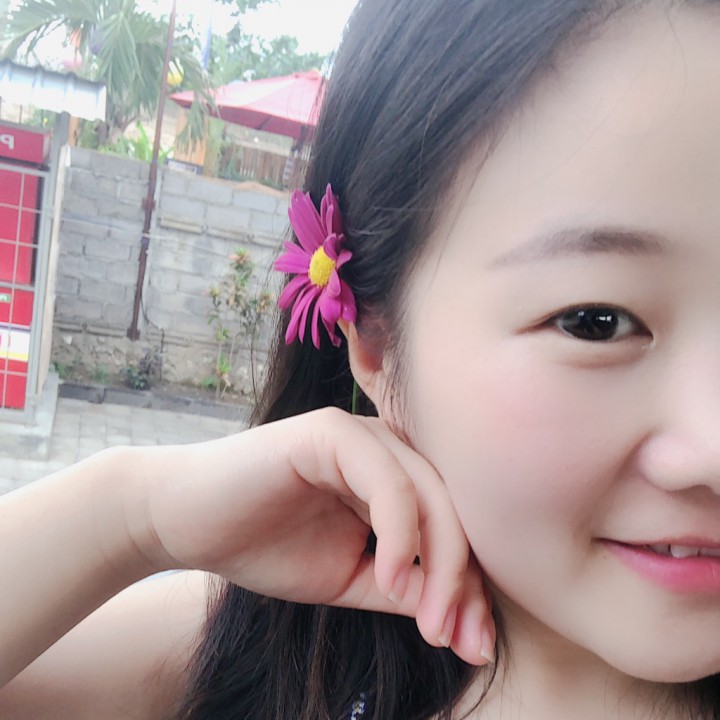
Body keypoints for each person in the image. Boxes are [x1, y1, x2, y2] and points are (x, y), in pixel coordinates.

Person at [2, 0, 720, 717]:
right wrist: (131, 517)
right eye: (596, 322)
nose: (712, 448)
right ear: (375, 340)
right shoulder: (260, 659)